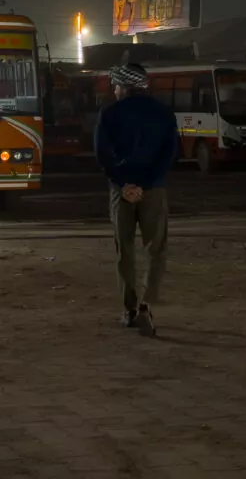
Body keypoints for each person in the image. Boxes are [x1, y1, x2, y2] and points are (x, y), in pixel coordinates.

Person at [94, 63, 179, 337]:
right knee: (156, 249)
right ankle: (146, 306)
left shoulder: (110, 112)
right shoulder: (164, 113)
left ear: (124, 86)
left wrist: (124, 183)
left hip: (122, 191)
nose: (114, 91)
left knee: (125, 250)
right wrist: (146, 183)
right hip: (153, 189)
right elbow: (169, 154)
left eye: (115, 86)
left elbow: (102, 153)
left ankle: (129, 309)